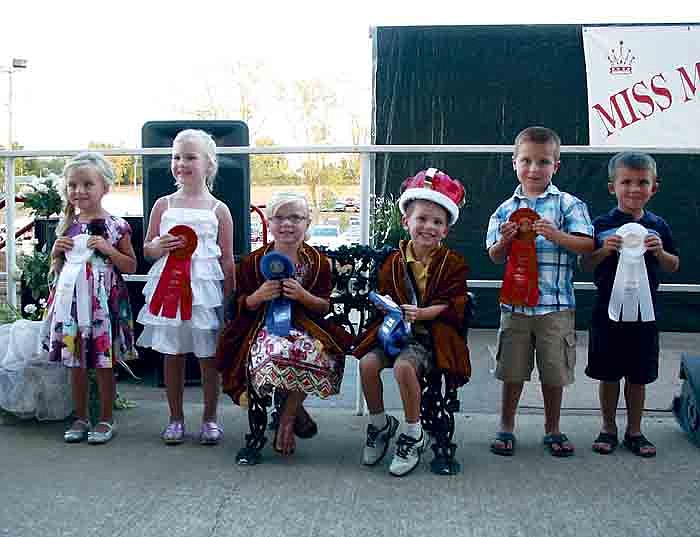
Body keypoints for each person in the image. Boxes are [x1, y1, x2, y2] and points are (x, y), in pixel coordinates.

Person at [485, 126, 594, 457]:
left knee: (554, 371)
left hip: (556, 306)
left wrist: (557, 235)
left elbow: (588, 244)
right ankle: (506, 426)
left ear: (556, 166)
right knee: (512, 371)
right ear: (514, 163)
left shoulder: (569, 205)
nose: (534, 169)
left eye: (543, 162)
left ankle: (553, 428)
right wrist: (505, 240)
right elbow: (494, 254)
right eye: (527, 161)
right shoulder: (504, 210)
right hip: (516, 306)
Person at [354, 168, 470, 477]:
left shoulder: (452, 263)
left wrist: (422, 314)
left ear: (445, 230)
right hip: (393, 334)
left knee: (406, 367)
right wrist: (388, 308)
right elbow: (383, 296)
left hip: (428, 338)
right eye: (421, 219)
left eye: (437, 222)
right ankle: (380, 424)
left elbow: (453, 304)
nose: (428, 227)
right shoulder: (393, 261)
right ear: (407, 221)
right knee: (366, 364)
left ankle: (413, 432)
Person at [216, 192, 351, 456]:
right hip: (262, 326)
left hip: (307, 327)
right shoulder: (254, 261)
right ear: (269, 222)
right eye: (279, 218)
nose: (287, 224)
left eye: (295, 217)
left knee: (316, 354)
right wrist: (257, 297)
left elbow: (324, 305)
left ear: (307, 222)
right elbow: (239, 304)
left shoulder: (318, 262)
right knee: (274, 353)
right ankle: (293, 409)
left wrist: (303, 296)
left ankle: (286, 421)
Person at [137, 129, 235, 446]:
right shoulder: (162, 205)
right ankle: (175, 418)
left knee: (208, 358)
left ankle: (210, 419)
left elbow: (228, 259)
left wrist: (229, 302)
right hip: (170, 291)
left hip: (204, 294)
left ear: (209, 163)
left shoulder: (219, 209)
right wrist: (158, 245)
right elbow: (147, 249)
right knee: (173, 354)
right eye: (177, 157)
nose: (181, 163)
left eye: (190, 157)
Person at [582, 152, 679, 458]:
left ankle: (635, 430)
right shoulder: (600, 224)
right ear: (612, 187)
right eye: (626, 182)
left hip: (644, 315)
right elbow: (585, 264)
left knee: (639, 375)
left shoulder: (658, 226)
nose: (634, 189)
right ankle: (608, 428)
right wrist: (603, 251)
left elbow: (674, 265)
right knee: (608, 374)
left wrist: (660, 252)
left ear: (654, 187)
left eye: (642, 182)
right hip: (607, 312)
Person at [47, 152, 138, 444]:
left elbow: (130, 266)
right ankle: (80, 417)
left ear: (105, 188)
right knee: (75, 362)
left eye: (87, 184)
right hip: (71, 304)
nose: (79, 191)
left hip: (103, 305)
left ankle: (106, 419)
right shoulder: (66, 225)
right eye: (73, 185)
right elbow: (57, 270)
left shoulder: (117, 225)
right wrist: (56, 252)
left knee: (103, 361)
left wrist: (109, 250)